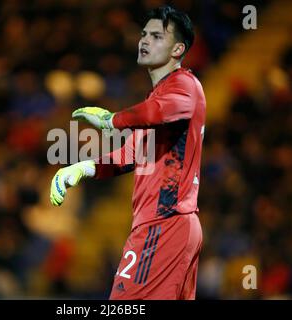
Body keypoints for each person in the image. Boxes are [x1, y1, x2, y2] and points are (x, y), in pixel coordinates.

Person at [50, 5, 206, 300]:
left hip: (163, 223)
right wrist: (82, 167)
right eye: (144, 34)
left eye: (157, 36)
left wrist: (112, 120)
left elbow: (158, 111)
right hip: (174, 225)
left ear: (178, 49)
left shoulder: (184, 85)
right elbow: (129, 154)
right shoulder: (160, 99)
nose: (145, 40)